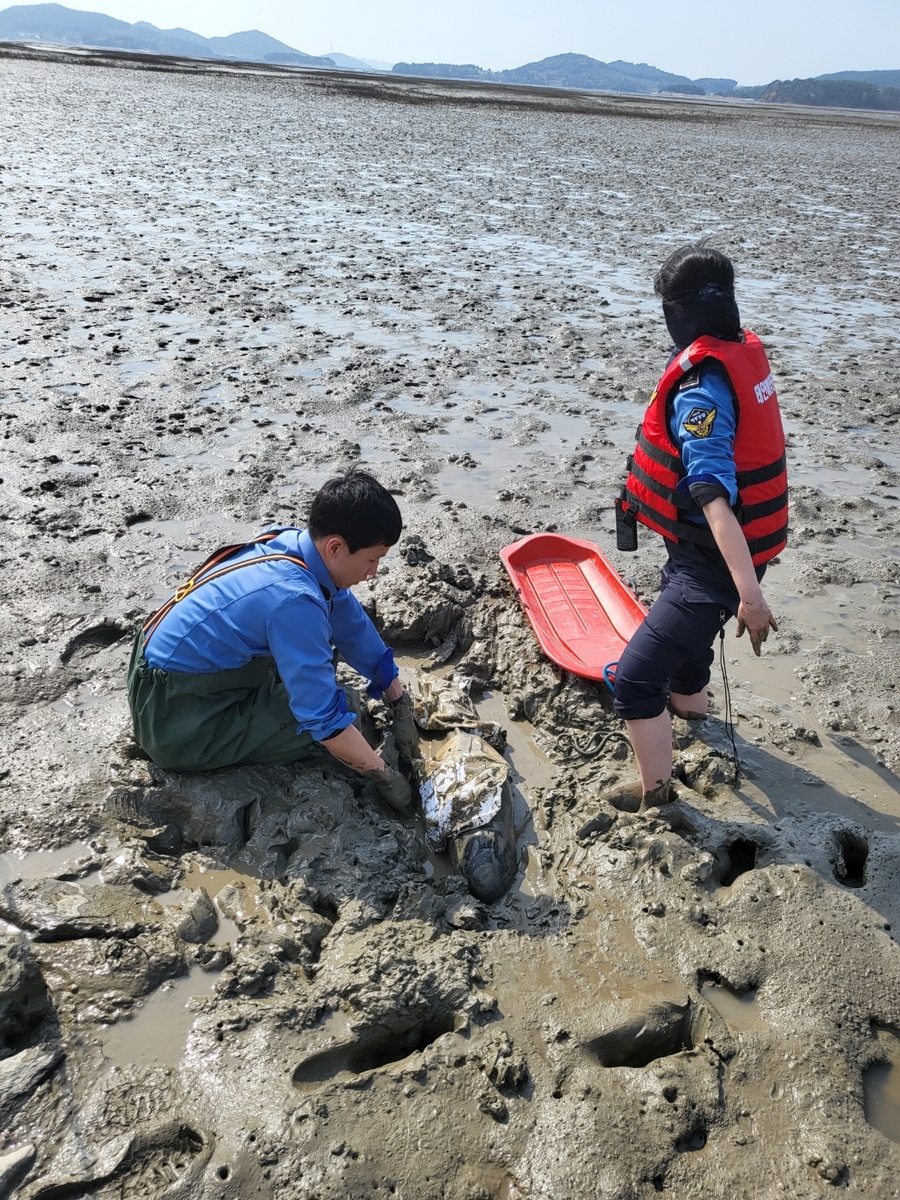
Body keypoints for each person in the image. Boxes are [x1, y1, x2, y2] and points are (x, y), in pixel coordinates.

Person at [127, 468, 418, 812]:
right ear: (336, 547)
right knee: (346, 710)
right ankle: (199, 745)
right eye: (373, 559)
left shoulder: (292, 544)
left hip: (156, 661)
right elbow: (323, 720)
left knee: (319, 667)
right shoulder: (294, 600)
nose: (374, 572)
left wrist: (397, 698)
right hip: (173, 719)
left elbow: (348, 621)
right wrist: (387, 779)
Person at [614, 244, 788, 807]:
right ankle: (693, 722)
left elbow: (712, 495)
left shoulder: (701, 386)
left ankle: (657, 798)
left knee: (637, 679)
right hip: (720, 553)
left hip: (717, 562)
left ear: (679, 311)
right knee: (688, 656)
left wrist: (750, 597)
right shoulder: (739, 351)